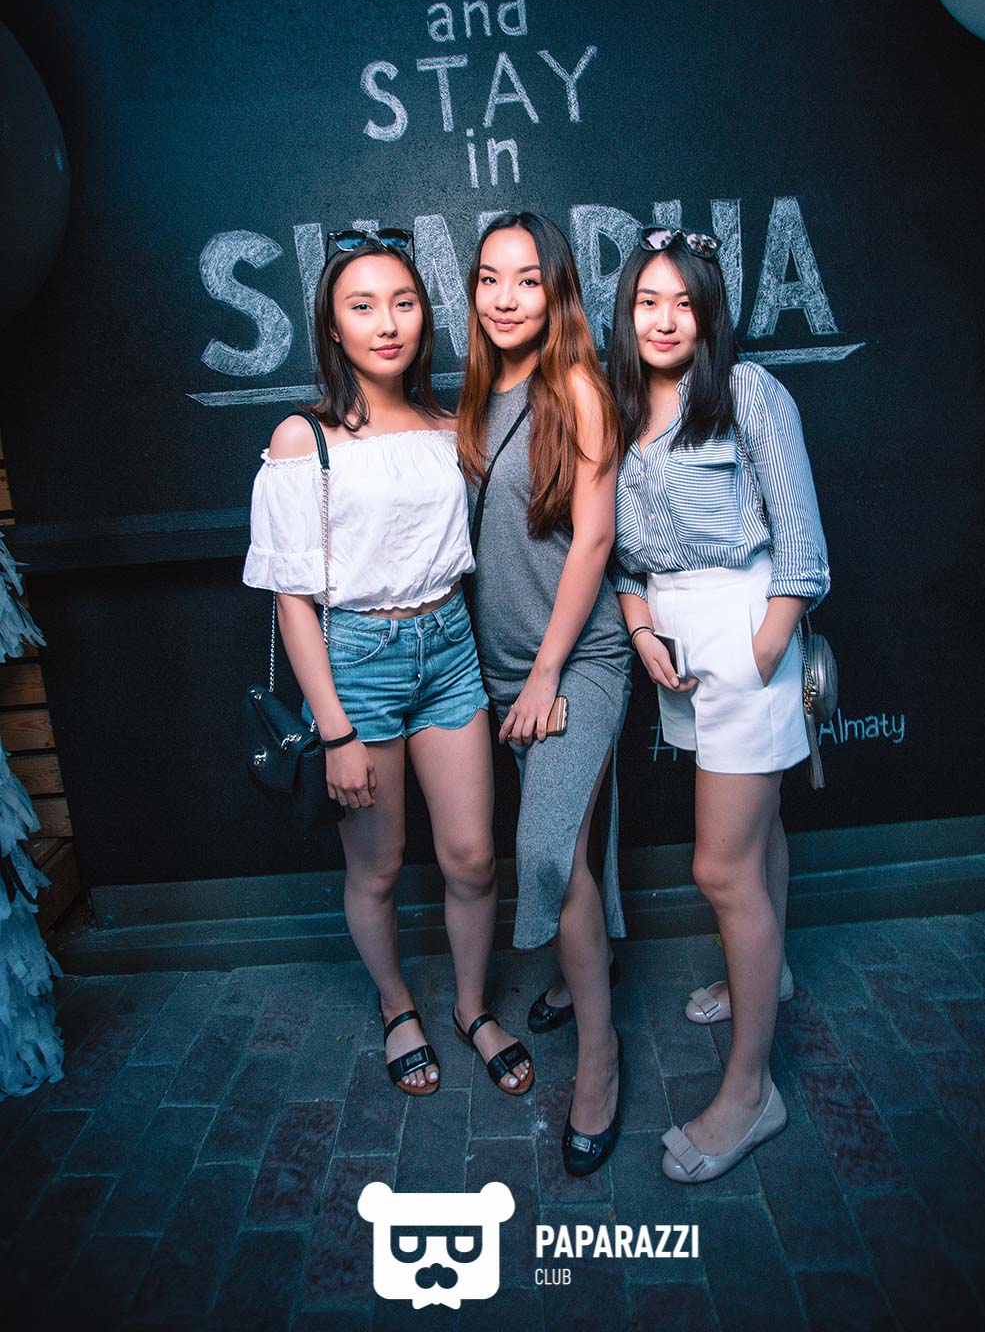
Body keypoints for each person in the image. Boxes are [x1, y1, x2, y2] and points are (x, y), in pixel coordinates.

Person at [243, 230, 533, 1101]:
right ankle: (398, 1005)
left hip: (449, 647)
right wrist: (334, 730)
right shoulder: (304, 438)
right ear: (332, 326)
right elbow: (292, 600)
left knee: (473, 857)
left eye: (403, 302)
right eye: (362, 306)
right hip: (356, 663)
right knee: (377, 865)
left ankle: (471, 1008)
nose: (387, 322)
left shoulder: (450, 426)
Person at [608, 226, 829, 1182]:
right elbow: (622, 555)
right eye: (647, 301)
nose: (665, 320)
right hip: (676, 641)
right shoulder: (620, 408)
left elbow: (802, 547)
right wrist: (643, 629)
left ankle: (751, 1093)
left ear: (710, 313)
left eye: (684, 303)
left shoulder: (749, 392)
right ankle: (765, 977)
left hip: (743, 631)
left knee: (720, 866)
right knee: (759, 832)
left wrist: (761, 649)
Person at [458, 211, 632, 1176]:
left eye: (527, 279)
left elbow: (595, 539)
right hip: (500, 667)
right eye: (490, 279)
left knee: (548, 849)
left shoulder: (578, 389)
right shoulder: (478, 396)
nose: (506, 298)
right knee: (576, 847)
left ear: (556, 289)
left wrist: (546, 674)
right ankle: (580, 973)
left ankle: (599, 1061)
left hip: (577, 660)